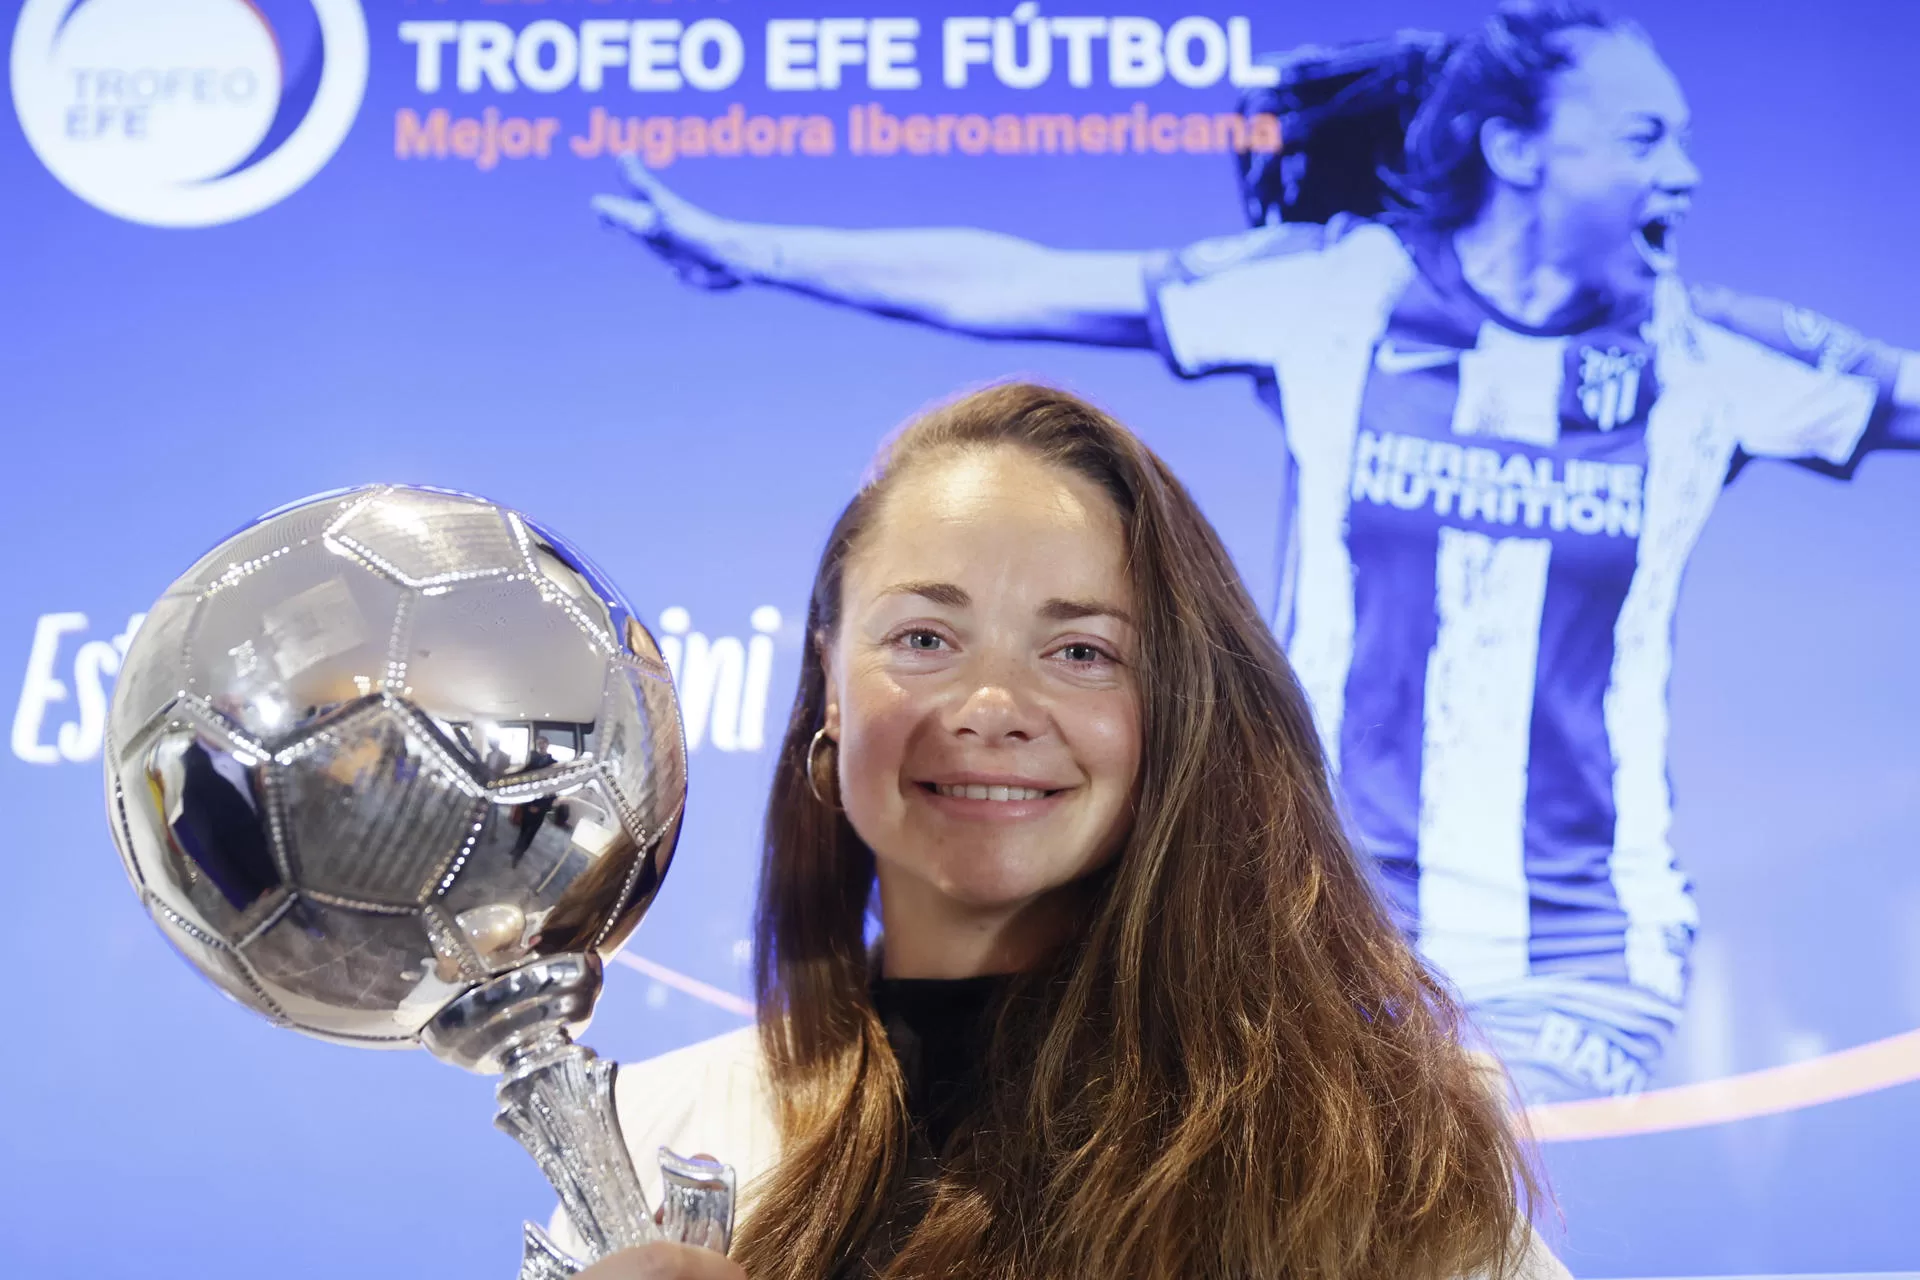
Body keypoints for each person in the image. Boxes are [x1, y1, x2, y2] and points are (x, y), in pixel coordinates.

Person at [590, 1, 1920, 1103]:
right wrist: (745, 248)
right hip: (1302, 938)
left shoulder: (1722, 362)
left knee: (1438, 1188)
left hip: (1570, 963)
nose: (1687, 173)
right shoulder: (1340, 296)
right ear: (1517, 149)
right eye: (1645, 137)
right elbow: (1025, 279)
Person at [561, 384, 1563, 1280]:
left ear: (1174, 708)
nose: (992, 703)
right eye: (923, 638)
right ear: (828, 683)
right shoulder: (656, 1139)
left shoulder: (1366, 1159)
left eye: (1081, 649)